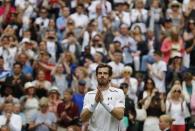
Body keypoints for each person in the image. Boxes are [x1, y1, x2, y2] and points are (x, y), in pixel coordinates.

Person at [80, 63, 125, 131]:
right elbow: (83, 118)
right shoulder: (89, 94)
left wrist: (103, 102)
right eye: (100, 73)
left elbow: (120, 115)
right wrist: (95, 102)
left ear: (110, 77)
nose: (102, 75)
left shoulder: (118, 92)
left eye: (105, 73)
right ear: (96, 76)